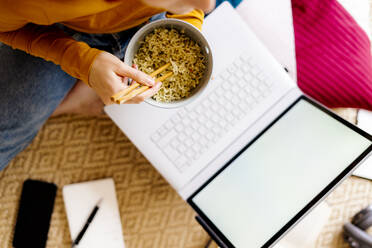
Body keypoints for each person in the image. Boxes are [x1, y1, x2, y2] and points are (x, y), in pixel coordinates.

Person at [0, 0, 215, 169]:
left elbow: (199, 7)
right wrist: (82, 62)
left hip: (149, 21)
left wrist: (187, 20)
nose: (208, 6)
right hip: (62, 32)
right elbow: (5, 29)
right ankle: (74, 102)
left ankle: (76, 98)